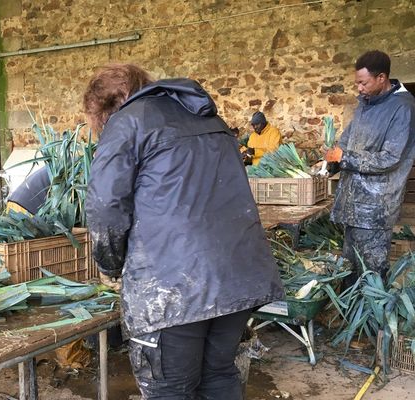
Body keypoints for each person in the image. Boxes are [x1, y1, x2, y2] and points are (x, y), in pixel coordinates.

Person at [83, 64, 283, 399]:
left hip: (173, 288)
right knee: (218, 376)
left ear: (105, 108)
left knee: (170, 389)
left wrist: (110, 266)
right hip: (237, 278)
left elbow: (104, 206)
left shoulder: (127, 122)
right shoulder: (211, 121)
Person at [326, 50, 415, 283]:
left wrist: (346, 158)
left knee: (372, 273)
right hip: (352, 204)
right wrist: (333, 158)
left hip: (376, 208)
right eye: (357, 83)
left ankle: (372, 320)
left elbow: (390, 158)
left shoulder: (403, 108)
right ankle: (348, 315)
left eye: (363, 83)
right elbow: (347, 139)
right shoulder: (365, 103)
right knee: (349, 268)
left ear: (381, 78)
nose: (359, 88)